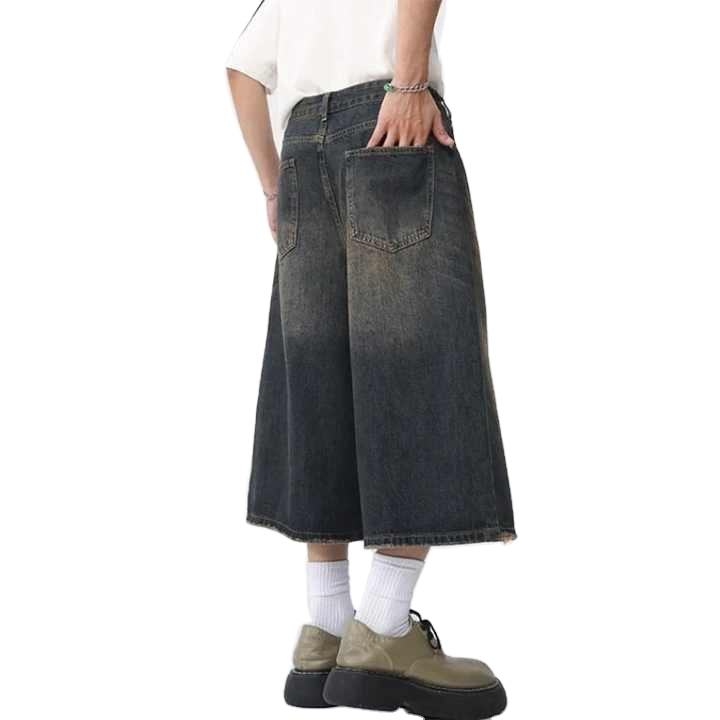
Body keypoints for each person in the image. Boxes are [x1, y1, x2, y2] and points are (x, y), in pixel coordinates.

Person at [226, 1, 516, 717]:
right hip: (388, 119)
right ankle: (383, 627)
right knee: (422, 365)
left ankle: (326, 629)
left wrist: (273, 185)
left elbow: (242, 71)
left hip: (301, 145)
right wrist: (408, 84)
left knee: (316, 379)